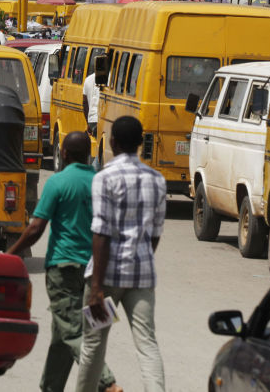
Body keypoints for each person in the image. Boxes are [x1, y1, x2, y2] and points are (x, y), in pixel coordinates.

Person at [7, 132, 121, 392]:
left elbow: (36, 228)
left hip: (63, 269)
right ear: (88, 155)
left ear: (65, 154)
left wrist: (10, 253)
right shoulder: (102, 184)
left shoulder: (57, 182)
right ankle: (50, 387)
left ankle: (108, 383)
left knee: (71, 332)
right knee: (66, 333)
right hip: (97, 274)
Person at [76, 116, 166, 392]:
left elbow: (101, 233)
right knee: (147, 344)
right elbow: (154, 234)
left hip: (107, 278)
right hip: (141, 277)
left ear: (112, 142)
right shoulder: (157, 180)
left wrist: (97, 288)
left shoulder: (105, 177)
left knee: (94, 344)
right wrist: (140, 259)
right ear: (141, 144)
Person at [82, 69, 99, 137]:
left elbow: (84, 103)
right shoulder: (111, 78)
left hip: (92, 119)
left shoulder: (88, 79)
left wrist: (88, 121)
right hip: (103, 120)